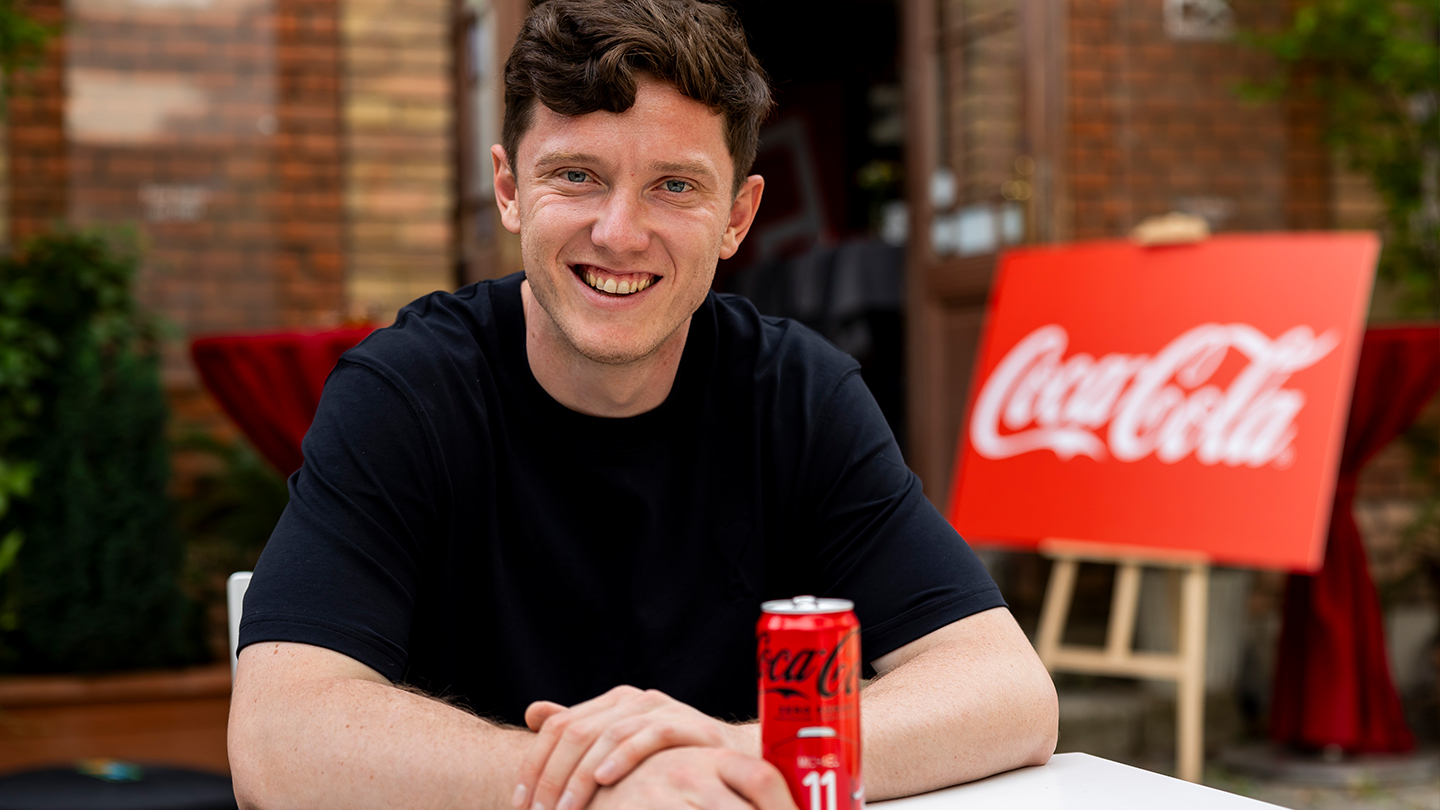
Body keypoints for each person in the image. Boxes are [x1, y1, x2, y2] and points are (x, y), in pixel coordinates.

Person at [227, 1, 1058, 808]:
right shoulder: (408, 391)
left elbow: (1006, 689)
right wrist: (598, 787)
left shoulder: (796, 393)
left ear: (738, 216)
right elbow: (277, 736)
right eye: (577, 176)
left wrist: (729, 755)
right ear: (509, 189)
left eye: (674, 186)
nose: (620, 233)